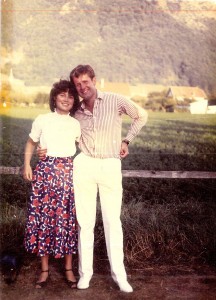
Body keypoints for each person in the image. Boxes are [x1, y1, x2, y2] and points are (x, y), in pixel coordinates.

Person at [38, 65, 148, 293]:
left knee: (112, 221)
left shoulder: (115, 100)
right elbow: (57, 128)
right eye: (78, 84)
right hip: (85, 164)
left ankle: (119, 275)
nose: (82, 87)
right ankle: (85, 274)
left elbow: (141, 115)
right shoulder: (75, 110)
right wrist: (43, 149)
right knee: (85, 223)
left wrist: (127, 140)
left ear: (94, 80)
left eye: (86, 82)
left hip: (109, 163)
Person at [23, 79, 81, 289]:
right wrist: (27, 164)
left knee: (66, 219)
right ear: (54, 97)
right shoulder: (43, 119)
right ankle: (45, 269)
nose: (66, 99)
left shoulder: (76, 123)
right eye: (62, 95)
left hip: (67, 173)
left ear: (74, 101)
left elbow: (83, 147)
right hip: (45, 172)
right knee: (44, 219)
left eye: (71, 96)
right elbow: (31, 142)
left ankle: (68, 268)